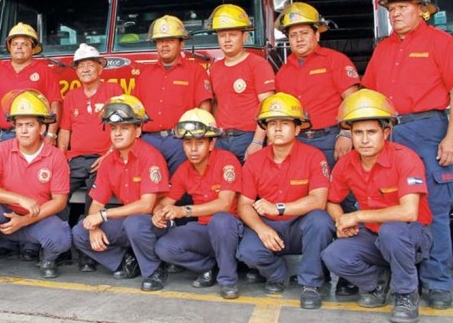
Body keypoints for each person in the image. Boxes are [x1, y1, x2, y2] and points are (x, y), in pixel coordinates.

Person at [362, 0, 453, 310]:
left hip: (428, 129)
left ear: (421, 10)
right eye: (391, 8)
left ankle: (438, 282)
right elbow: (368, 93)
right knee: (382, 206)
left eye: (402, 7)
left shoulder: (442, 43)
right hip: (388, 131)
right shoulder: (383, 48)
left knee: (435, 211)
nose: (395, 13)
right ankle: (392, 278)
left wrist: (451, 137)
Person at [322, 89, 432, 323]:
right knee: (333, 255)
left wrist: (357, 216)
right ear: (350, 134)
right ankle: (378, 283)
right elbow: (332, 201)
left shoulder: (405, 158)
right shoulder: (347, 163)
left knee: (391, 230)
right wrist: (341, 220)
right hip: (373, 235)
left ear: (386, 132)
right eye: (358, 133)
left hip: (412, 235)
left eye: (371, 132)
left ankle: (406, 294)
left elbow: (409, 212)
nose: (364, 139)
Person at [236, 92, 333, 310]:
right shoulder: (254, 161)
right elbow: (244, 204)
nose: (277, 129)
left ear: (298, 128)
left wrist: (279, 208)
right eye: (272, 123)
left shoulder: (314, 156)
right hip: (270, 227)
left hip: (301, 227)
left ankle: (311, 284)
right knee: (247, 252)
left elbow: (319, 200)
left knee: (321, 220)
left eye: (285, 123)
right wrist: (261, 229)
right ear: (265, 129)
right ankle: (277, 273)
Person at [0, 90, 72, 285]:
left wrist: (24, 220)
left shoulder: (56, 156)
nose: (24, 130)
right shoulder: (0, 149)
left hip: (37, 217)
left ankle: (48, 258)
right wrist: (18, 199)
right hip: (6, 216)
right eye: (19, 125)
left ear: (42, 128)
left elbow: (60, 201)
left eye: (30, 125)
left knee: (61, 237)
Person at [72, 95, 170, 292]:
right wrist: (94, 226)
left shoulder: (150, 157)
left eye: (124, 128)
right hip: (127, 223)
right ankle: (126, 262)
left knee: (134, 222)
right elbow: (97, 203)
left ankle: (154, 270)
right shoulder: (108, 162)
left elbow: (146, 206)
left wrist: (104, 215)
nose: (117, 134)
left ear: (138, 130)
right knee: (80, 231)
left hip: (154, 223)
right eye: (114, 129)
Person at [152, 109, 243, 298]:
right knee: (164, 247)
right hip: (203, 229)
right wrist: (159, 212)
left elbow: (225, 204)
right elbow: (165, 201)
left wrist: (184, 211)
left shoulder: (227, 161)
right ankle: (209, 267)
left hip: (231, 229)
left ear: (212, 143)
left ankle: (228, 281)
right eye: (187, 143)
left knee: (221, 220)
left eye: (200, 143)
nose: (193, 149)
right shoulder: (184, 169)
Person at [275, 2, 360, 168]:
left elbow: (353, 100)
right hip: (296, 141)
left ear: (317, 35)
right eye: (293, 35)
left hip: (331, 139)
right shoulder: (282, 72)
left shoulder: (335, 60)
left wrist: (347, 134)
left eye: (304, 33)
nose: (299, 39)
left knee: (336, 190)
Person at [132, 15, 212, 175]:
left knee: (180, 189)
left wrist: (196, 137)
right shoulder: (145, 74)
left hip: (180, 140)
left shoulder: (196, 71)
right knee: (148, 188)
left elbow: (205, 107)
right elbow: (135, 108)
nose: (164, 45)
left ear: (181, 43)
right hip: (149, 140)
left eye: (170, 40)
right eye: (160, 41)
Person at [58, 43, 123, 216]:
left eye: (90, 65)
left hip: (104, 158)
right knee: (56, 191)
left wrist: (109, 155)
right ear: (76, 71)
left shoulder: (113, 90)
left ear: (100, 68)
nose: (85, 70)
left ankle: (87, 233)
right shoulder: (71, 96)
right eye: (80, 66)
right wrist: (60, 159)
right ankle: (60, 233)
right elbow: (64, 131)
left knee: (94, 196)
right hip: (76, 160)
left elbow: (124, 128)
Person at [208, 4, 275, 162]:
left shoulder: (258, 64)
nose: (227, 40)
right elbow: (216, 104)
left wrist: (258, 141)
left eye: (233, 34)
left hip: (248, 137)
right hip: (221, 139)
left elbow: (267, 105)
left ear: (244, 36)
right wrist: (214, 136)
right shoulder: (215, 68)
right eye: (222, 35)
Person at [0, 23, 61, 147]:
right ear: (10, 48)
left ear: (32, 49)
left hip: (35, 136)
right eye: (15, 44)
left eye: (24, 44)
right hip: (3, 136)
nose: (19, 47)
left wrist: (51, 134)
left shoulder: (44, 71)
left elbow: (55, 103)